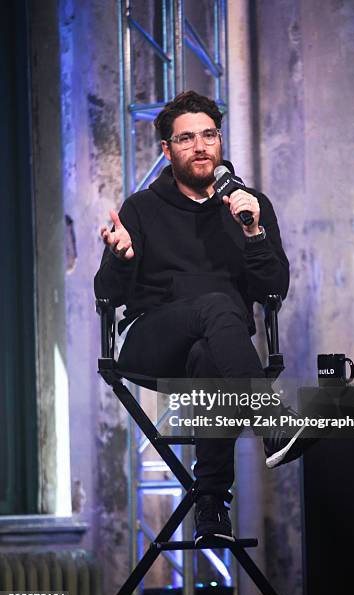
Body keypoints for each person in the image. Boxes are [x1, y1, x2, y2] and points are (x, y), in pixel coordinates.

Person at [95, 90, 298, 543]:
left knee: (212, 353)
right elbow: (107, 296)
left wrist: (253, 230)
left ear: (220, 141)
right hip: (153, 339)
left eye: (209, 135)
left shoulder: (248, 204)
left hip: (221, 348)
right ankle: (272, 421)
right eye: (186, 138)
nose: (201, 146)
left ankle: (211, 506)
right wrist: (120, 258)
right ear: (166, 150)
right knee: (216, 303)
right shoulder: (141, 208)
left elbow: (271, 292)